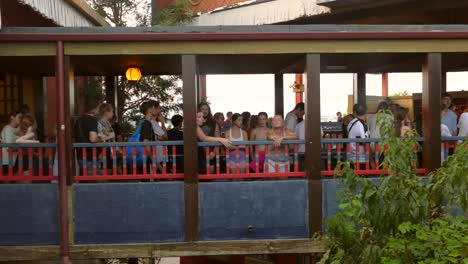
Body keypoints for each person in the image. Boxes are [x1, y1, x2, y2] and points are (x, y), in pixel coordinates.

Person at [74, 98, 102, 175]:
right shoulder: (92, 120)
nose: (99, 109)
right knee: (96, 180)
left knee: (86, 179)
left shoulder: (79, 120)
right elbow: (93, 139)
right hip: (90, 155)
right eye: (98, 107)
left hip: (80, 154)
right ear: (94, 108)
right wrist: (101, 139)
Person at [347, 103, 370, 169]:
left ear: (355, 113)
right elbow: (366, 143)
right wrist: (371, 161)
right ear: (366, 113)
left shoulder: (351, 123)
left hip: (352, 158)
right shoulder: (362, 125)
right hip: (361, 160)